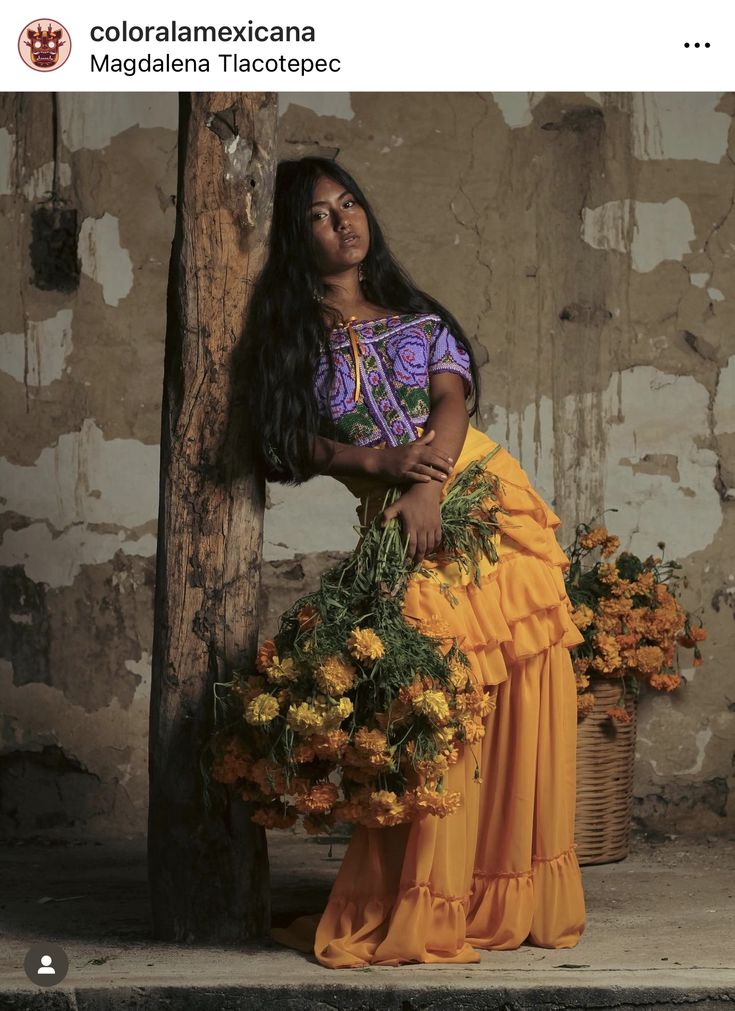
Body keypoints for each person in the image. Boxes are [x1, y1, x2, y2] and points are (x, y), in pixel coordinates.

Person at [244, 155, 587, 968]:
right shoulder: (290, 338)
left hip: (480, 496)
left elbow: (451, 400)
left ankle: (503, 890)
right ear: (297, 240)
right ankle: (423, 895)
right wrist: (380, 467)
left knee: (516, 684)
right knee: (437, 694)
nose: (344, 222)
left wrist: (425, 482)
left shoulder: (416, 316)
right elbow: (292, 441)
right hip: (394, 510)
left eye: (350, 204)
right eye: (321, 216)